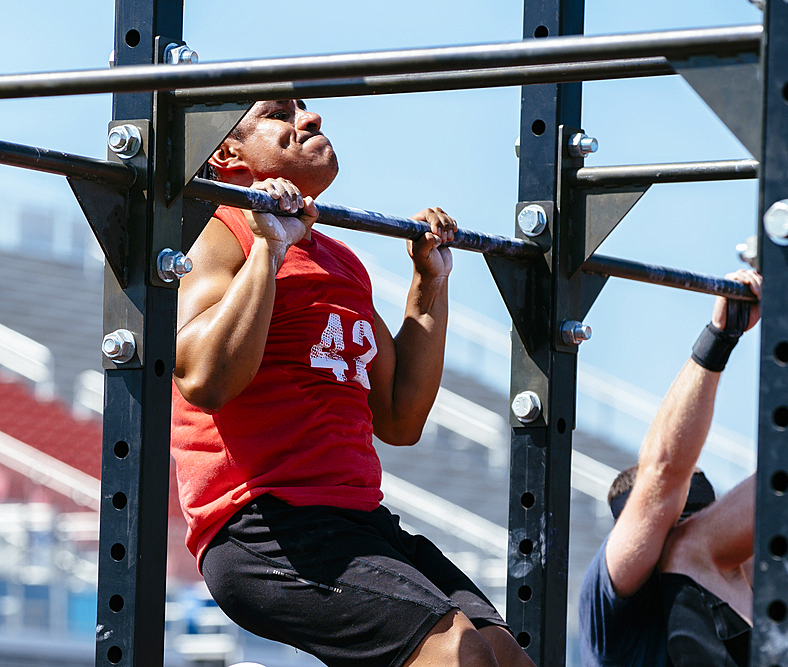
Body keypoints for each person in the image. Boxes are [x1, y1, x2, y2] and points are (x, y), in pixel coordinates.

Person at [171, 98, 535, 667]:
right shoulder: (217, 235)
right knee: (459, 656)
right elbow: (201, 379)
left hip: (356, 518)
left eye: (305, 109)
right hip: (266, 525)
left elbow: (399, 418)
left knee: (501, 653)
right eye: (278, 114)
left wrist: (428, 284)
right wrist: (270, 245)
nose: (309, 120)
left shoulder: (339, 260)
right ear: (226, 152)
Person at [579, 269, 761, 667]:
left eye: (701, 519)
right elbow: (662, 475)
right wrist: (720, 336)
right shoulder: (612, 599)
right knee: (690, 550)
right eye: (670, 528)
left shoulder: (745, 579)